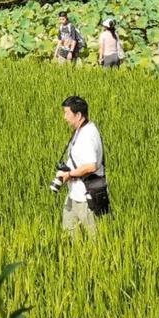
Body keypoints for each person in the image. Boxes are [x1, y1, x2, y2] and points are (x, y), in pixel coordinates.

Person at [54, 95, 108, 235]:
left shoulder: (88, 135)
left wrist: (69, 174)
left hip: (87, 197)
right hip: (74, 194)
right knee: (68, 234)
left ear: (78, 115)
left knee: (94, 240)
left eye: (67, 113)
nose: (64, 117)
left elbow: (91, 166)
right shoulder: (80, 130)